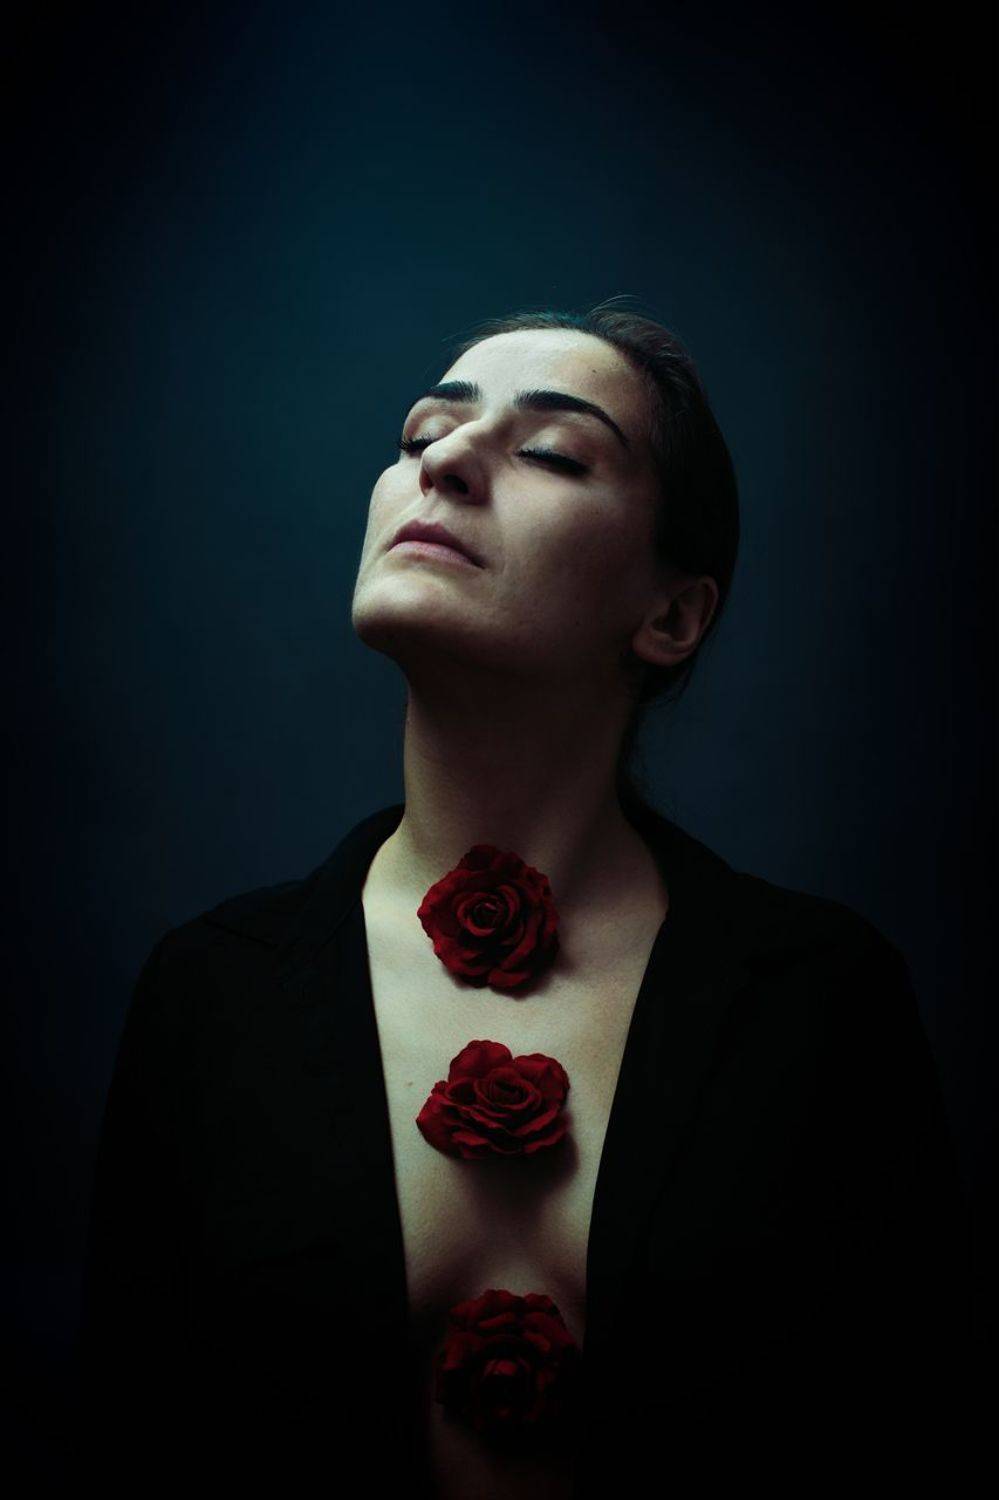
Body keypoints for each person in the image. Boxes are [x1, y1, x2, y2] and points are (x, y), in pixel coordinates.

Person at [71, 300, 972, 1496]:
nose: (443, 458)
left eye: (551, 451)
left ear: (671, 615)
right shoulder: (212, 995)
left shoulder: (822, 1002)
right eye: (420, 433)